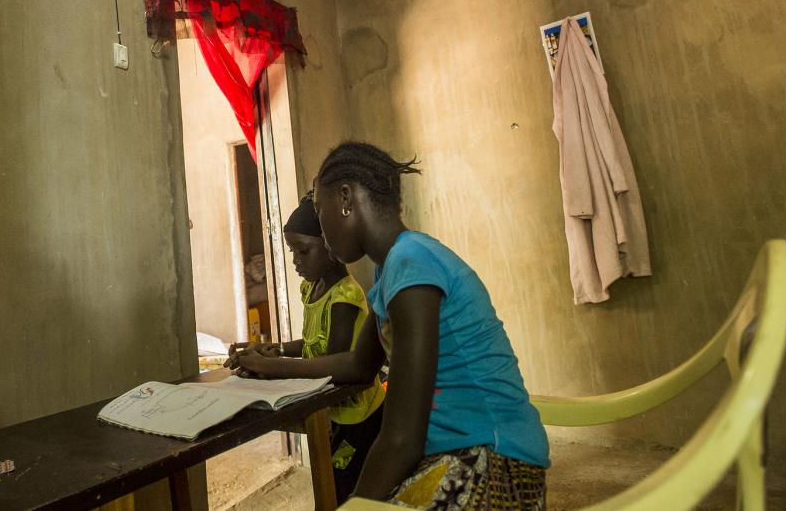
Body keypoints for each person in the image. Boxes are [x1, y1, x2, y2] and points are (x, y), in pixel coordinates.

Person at [229, 142, 549, 509]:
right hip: (458, 449)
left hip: (495, 459)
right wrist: (272, 366)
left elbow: (401, 438)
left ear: (346, 198)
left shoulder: (412, 263)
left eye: (320, 210)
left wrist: (353, 507)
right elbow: (358, 366)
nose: (321, 226)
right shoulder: (390, 270)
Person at [226, 194, 385, 504]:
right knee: (331, 482)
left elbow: (332, 366)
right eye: (292, 251)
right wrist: (278, 350)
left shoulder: (345, 296)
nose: (296, 260)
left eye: (303, 251)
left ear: (331, 248)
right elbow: (313, 343)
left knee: (348, 490)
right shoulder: (311, 288)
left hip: (358, 416)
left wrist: (270, 368)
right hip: (334, 414)